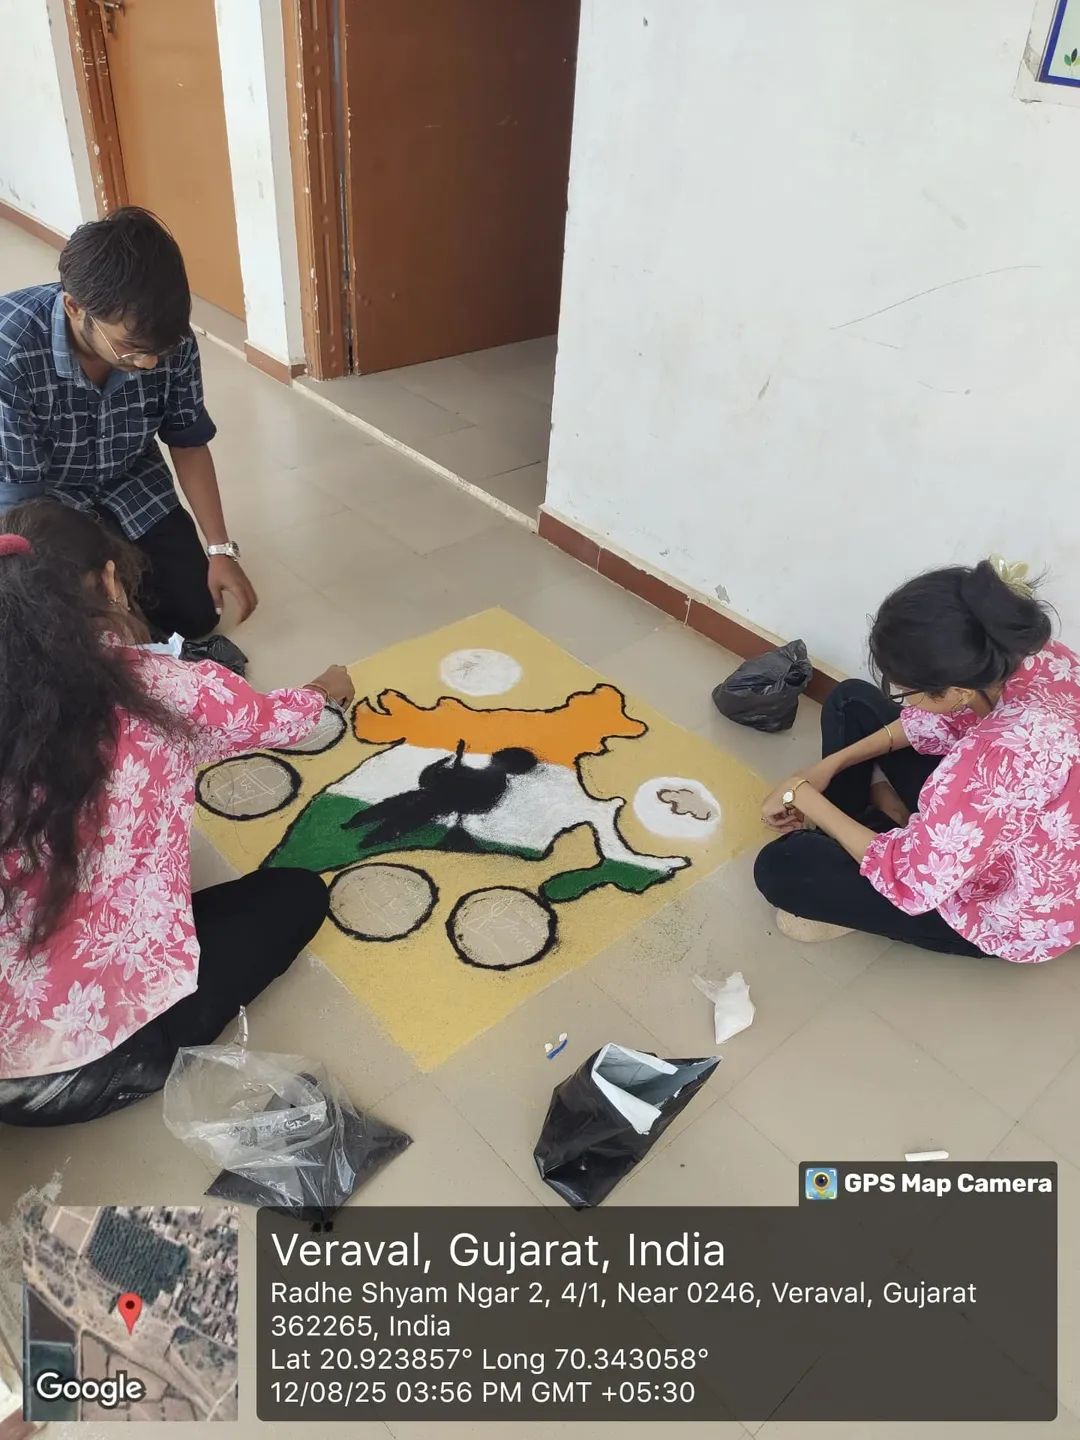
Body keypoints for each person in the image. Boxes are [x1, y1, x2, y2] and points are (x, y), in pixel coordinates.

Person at [0, 500, 355, 1125]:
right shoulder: (168, 689)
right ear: (110, 581)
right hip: (87, 1070)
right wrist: (325, 688)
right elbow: (277, 721)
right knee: (298, 895)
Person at [755, 558, 1080, 964]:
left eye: (909, 690)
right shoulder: (1031, 655)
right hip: (1012, 821)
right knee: (850, 699)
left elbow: (913, 880)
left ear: (957, 690)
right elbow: (931, 724)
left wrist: (799, 793)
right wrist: (825, 768)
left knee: (780, 866)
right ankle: (876, 826)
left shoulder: (998, 760)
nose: (903, 696)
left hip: (1011, 911)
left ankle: (871, 836)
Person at [0, 206, 256, 641]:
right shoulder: (11, 352)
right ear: (74, 307)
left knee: (195, 617)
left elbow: (188, 440)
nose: (151, 361)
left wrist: (220, 549)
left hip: (130, 479)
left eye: (159, 347)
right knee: (75, 635)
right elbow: (20, 498)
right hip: (46, 499)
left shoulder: (166, 339)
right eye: (130, 348)